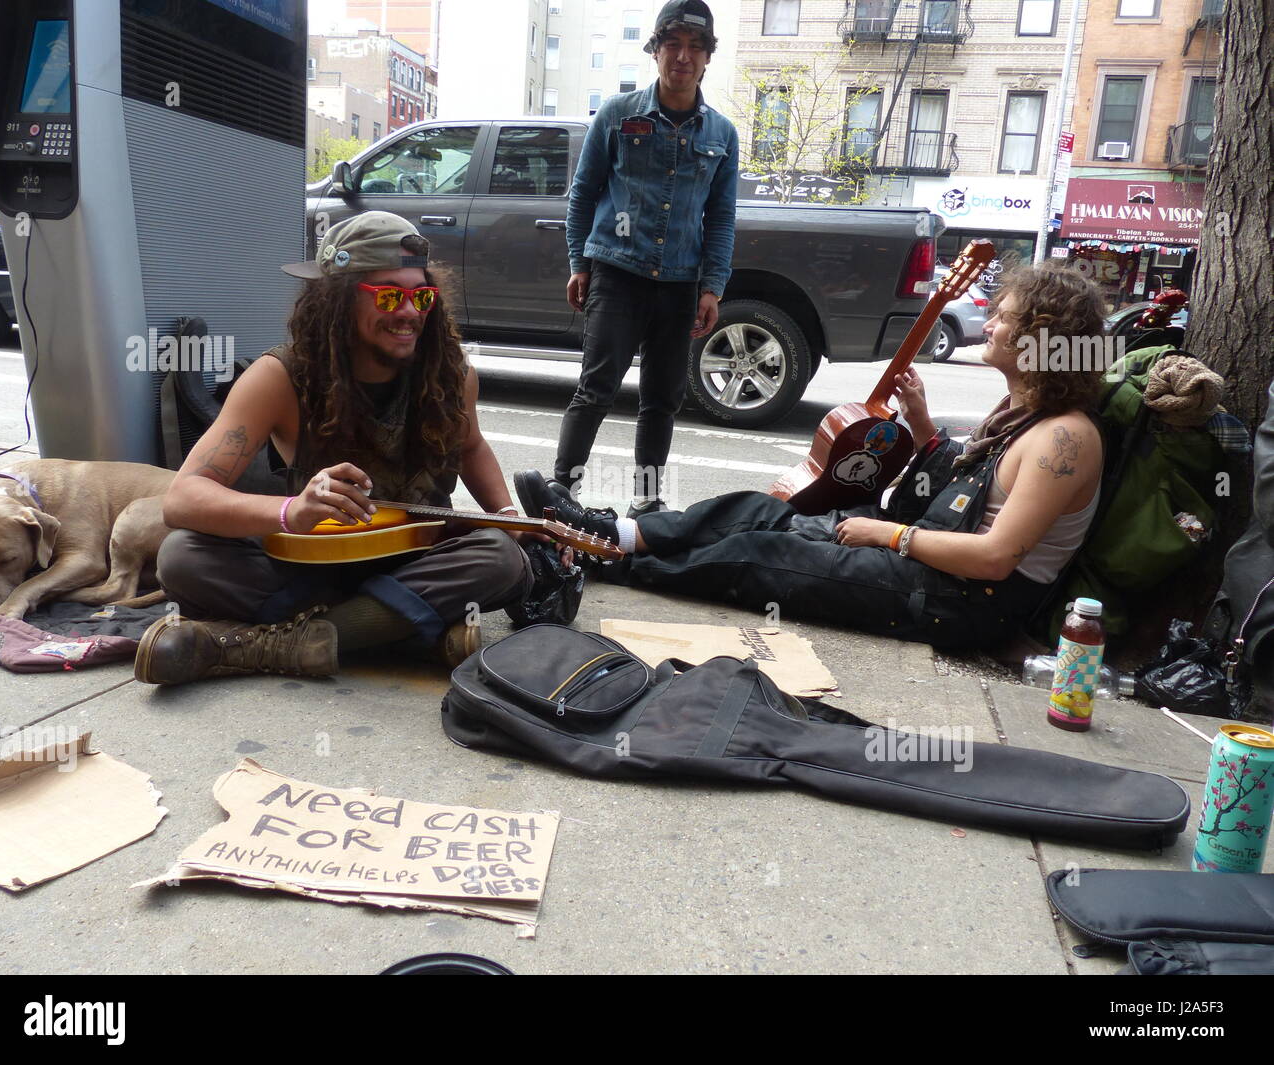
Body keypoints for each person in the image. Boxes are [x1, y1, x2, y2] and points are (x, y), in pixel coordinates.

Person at [516, 263, 1109, 650]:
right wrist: (926, 428)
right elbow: (965, 491)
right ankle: (611, 530)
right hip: (932, 567)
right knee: (757, 510)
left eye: (1004, 315)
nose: (991, 320)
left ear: (1039, 337)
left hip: (961, 604)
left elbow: (995, 559)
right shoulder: (1021, 410)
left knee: (757, 554)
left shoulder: (1065, 440)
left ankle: (594, 559)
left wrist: (886, 535)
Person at [135, 212, 532, 685]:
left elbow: (470, 448)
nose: (409, 313)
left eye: (421, 295)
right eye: (389, 295)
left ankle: (260, 647)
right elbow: (183, 499)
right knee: (181, 557)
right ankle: (405, 635)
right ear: (337, 299)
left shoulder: (452, 374)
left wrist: (509, 516)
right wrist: (289, 512)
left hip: (414, 560)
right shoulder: (279, 377)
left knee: (500, 557)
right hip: (310, 565)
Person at [531, 0, 738, 520]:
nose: (683, 57)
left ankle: (646, 499)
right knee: (595, 388)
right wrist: (580, 262)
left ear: (708, 57)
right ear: (656, 51)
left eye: (695, 47)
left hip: (679, 284)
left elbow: (722, 217)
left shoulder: (721, 135)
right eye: (674, 45)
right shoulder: (618, 115)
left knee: (663, 398)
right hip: (616, 274)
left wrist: (711, 287)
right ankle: (562, 492)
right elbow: (583, 194)